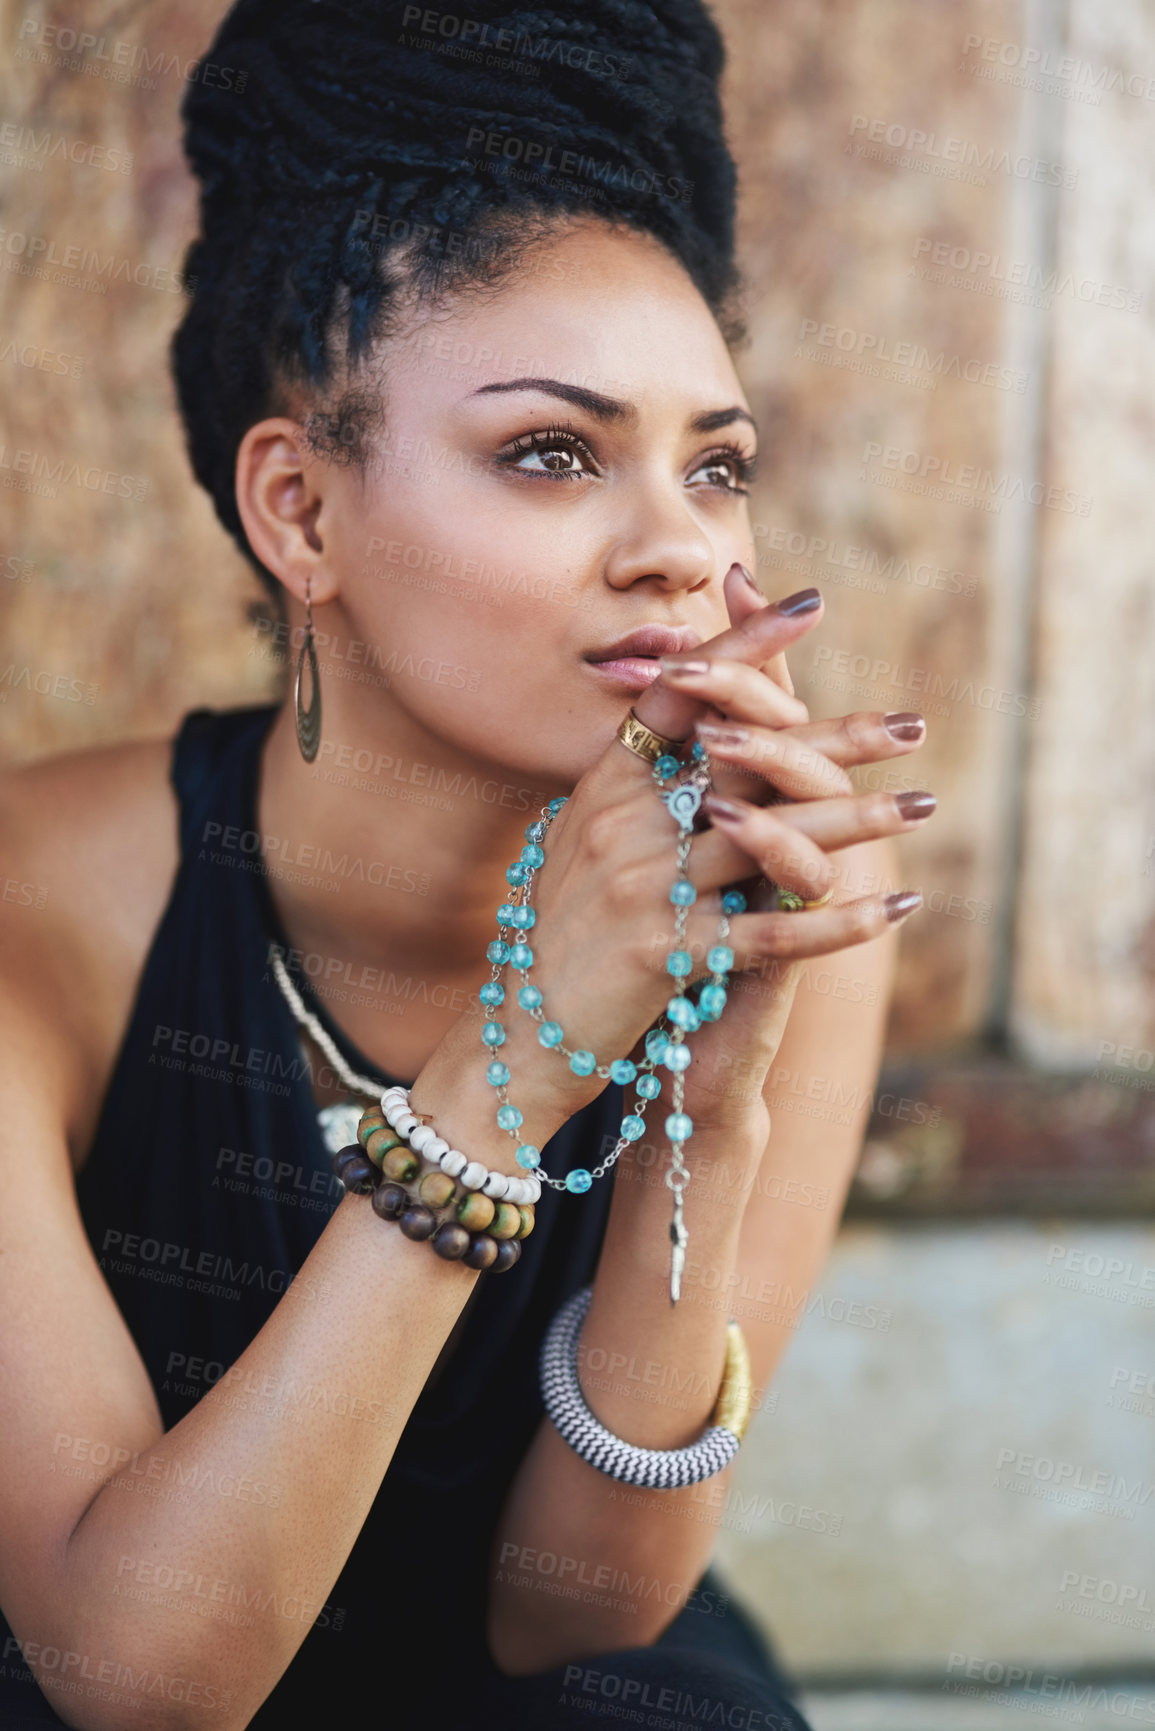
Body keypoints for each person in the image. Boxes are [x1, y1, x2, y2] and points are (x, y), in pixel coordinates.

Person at [0, 3, 936, 1725]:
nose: (678, 550)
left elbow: (573, 1619)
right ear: (301, 511)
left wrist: (706, 1107)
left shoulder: (779, 909)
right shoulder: (36, 912)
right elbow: (134, 1678)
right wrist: (512, 1074)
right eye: (552, 453)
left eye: (716, 467)